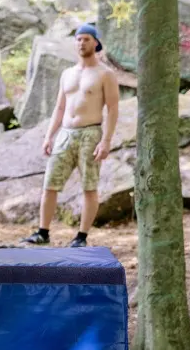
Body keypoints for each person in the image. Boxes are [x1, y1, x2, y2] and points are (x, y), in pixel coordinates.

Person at [22, 24, 119, 248]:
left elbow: (113, 108)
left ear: (96, 42)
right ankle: (42, 233)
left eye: (86, 39)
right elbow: (59, 107)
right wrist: (49, 136)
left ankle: (81, 237)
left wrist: (106, 140)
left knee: (89, 186)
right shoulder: (68, 74)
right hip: (65, 134)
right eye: (78, 39)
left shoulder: (105, 74)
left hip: (90, 133)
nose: (81, 43)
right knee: (50, 184)